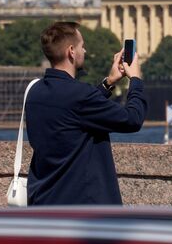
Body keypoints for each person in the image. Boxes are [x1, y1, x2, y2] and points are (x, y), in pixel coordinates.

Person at [26, 22, 147, 204]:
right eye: (82, 46)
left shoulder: (34, 92)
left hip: (44, 203)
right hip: (82, 210)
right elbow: (132, 120)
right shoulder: (80, 95)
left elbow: (71, 112)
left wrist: (109, 82)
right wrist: (136, 80)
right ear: (72, 51)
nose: (86, 51)